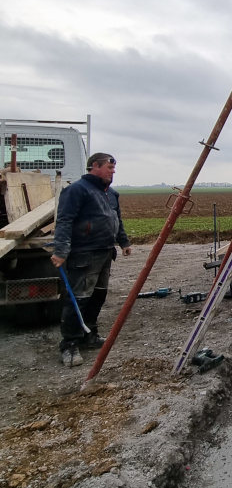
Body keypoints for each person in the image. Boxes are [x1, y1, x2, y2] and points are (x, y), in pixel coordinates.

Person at [50, 152, 132, 367]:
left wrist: (123, 242)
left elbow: (116, 220)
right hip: (84, 253)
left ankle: (90, 334)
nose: (113, 171)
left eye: (114, 168)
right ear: (95, 166)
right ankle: (69, 344)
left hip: (105, 252)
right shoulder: (77, 190)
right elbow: (65, 221)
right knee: (79, 298)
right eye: (110, 168)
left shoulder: (110, 194)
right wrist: (61, 250)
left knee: (98, 296)